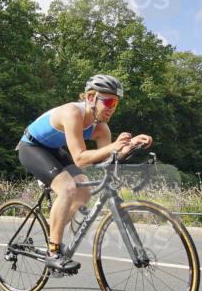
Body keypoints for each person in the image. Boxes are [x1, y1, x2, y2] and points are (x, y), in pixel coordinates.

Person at [17, 74, 151, 271]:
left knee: (84, 191)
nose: (112, 107)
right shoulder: (73, 113)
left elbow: (106, 159)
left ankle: (54, 233)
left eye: (116, 103)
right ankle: (53, 251)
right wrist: (114, 146)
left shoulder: (102, 129)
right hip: (31, 147)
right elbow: (80, 158)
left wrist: (130, 145)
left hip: (54, 150)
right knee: (68, 187)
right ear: (90, 98)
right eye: (109, 101)